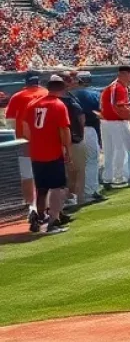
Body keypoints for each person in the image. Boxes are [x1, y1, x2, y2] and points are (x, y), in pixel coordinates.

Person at [25, 75, 73, 234]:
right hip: (53, 151)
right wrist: (67, 149)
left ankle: (40, 217)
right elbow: (64, 130)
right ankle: (53, 220)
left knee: (42, 188)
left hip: (36, 152)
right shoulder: (58, 105)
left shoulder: (33, 104)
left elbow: (26, 129)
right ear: (62, 88)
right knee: (58, 187)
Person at [4, 72, 47, 213]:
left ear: (26, 83)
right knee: (47, 171)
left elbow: (9, 122)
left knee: (27, 174)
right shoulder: (46, 93)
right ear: (38, 81)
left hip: (24, 140)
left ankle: (31, 205)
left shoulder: (18, 96)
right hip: (47, 138)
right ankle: (47, 205)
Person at [100, 64, 130, 188]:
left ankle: (110, 178)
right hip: (116, 122)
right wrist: (128, 114)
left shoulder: (116, 86)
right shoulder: (118, 87)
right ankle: (120, 177)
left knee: (112, 151)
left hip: (109, 122)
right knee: (125, 149)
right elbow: (117, 106)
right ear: (123, 74)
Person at [73, 71, 105, 203]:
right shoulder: (94, 94)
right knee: (92, 161)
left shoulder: (71, 94)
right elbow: (100, 112)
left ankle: (77, 194)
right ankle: (90, 191)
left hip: (73, 132)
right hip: (89, 129)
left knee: (77, 164)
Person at [58, 70, 87, 207]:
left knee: (74, 172)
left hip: (70, 139)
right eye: (69, 79)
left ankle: (72, 198)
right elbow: (80, 119)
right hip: (70, 140)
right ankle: (72, 199)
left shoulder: (69, 96)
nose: (72, 82)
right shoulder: (63, 100)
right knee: (75, 172)